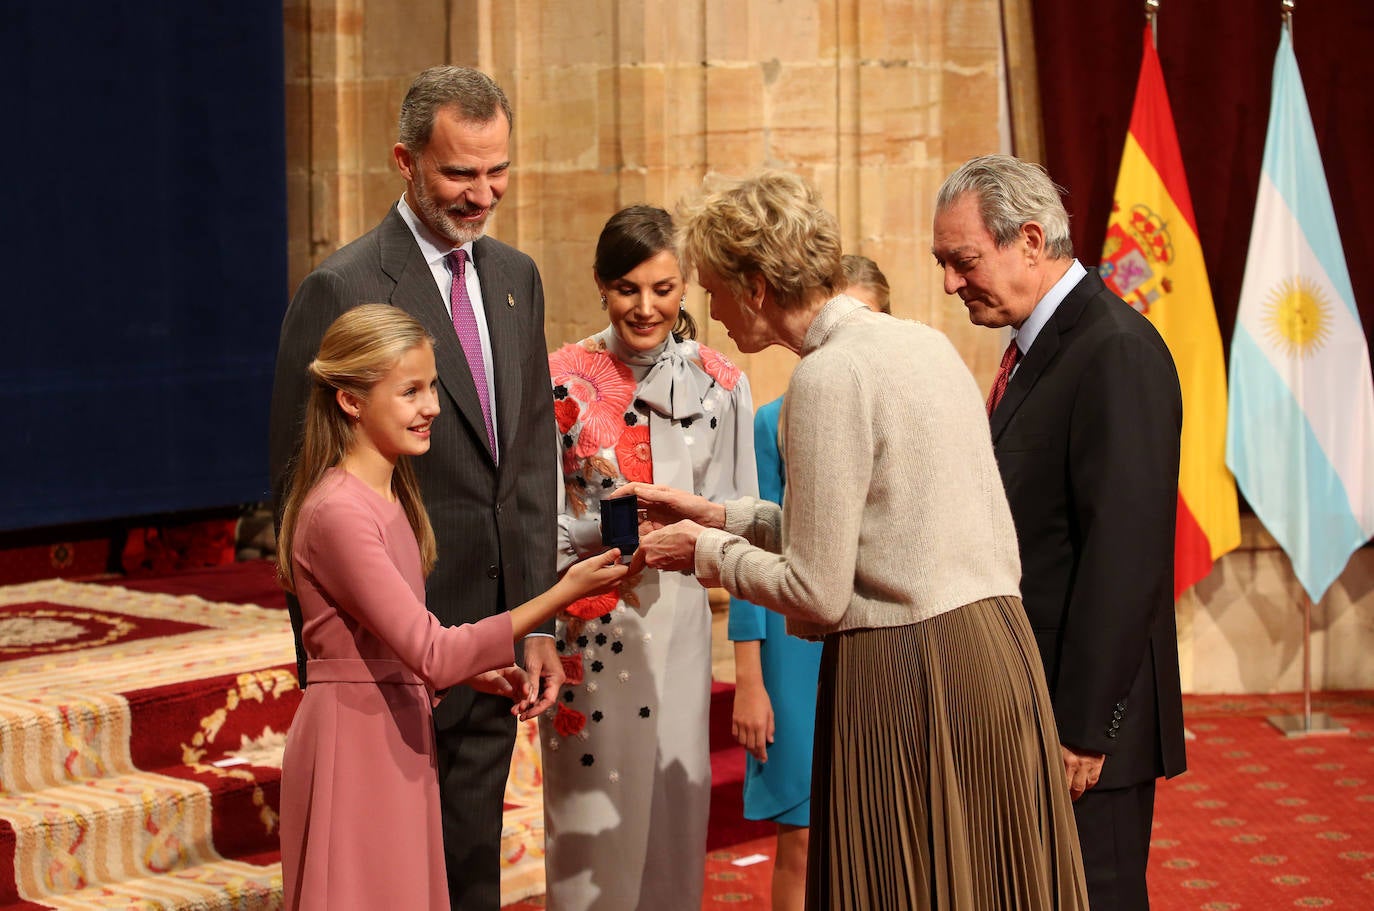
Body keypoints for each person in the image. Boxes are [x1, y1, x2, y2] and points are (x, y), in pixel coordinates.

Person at [625, 171, 1088, 909]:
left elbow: (817, 587)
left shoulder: (827, 377)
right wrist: (718, 515)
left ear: (755, 286)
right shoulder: (919, 344)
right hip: (996, 652)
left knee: (905, 886)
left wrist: (701, 555)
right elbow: (885, 533)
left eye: (713, 288)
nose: (709, 309)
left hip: (909, 666)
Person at [267, 66, 562, 910]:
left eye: (498, 170)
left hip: (490, 644)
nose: (482, 193)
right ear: (405, 160)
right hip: (390, 653)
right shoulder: (343, 285)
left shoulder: (517, 275)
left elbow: (530, 454)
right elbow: (299, 479)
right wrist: (330, 672)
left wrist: (536, 616)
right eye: (459, 173)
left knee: (466, 871)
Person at [275, 305, 628, 911]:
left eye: (432, 386)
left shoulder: (387, 494)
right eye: (410, 391)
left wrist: (473, 669)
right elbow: (433, 652)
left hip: (394, 728)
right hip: (354, 743)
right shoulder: (338, 511)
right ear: (351, 401)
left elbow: (404, 645)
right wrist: (562, 590)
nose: (433, 406)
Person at [932, 153, 1186, 911]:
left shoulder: (1113, 349)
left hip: (1084, 727)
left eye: (963, 260)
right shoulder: (1040, 348)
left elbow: (1126, 556)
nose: (949, 283)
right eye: (943, 263)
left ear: (1031, 240)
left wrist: (1083, 728)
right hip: (1032, 704)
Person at [538, 205, 758, 911]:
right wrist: (604, 536)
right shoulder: (563, 380)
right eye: (628, 287)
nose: (646, 306)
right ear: (601, 284)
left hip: (685, 624)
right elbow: (534, 521)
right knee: (591, 826)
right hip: (591, 628)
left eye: (664, 288)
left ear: (686, 285)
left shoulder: (722, 381)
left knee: (673, 814)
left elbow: (741, 517)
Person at [726, 253, 889, 911]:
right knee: (802, 837)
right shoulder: (770, 421)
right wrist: (750, 678)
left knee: (881, 834)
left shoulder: (905, 415)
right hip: (794, 654)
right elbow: (749, 542)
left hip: (879, 638)